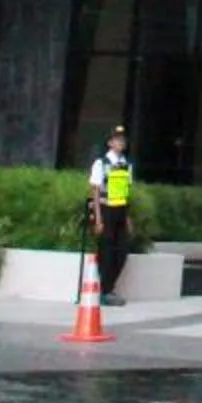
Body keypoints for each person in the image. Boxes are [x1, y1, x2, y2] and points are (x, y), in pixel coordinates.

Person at [87, 124, 135, 307]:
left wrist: (128, 217)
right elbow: (95, 191)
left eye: (123, 140)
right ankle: (105, 291)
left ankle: (109, 287)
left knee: (121, 252)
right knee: (106, 252)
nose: (121, 142)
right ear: (109, 143)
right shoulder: (102, 163)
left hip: (121, 212)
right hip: (106, 211)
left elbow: (126, 192)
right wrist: (98, 219)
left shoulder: (126, 165)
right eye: (117, 139)